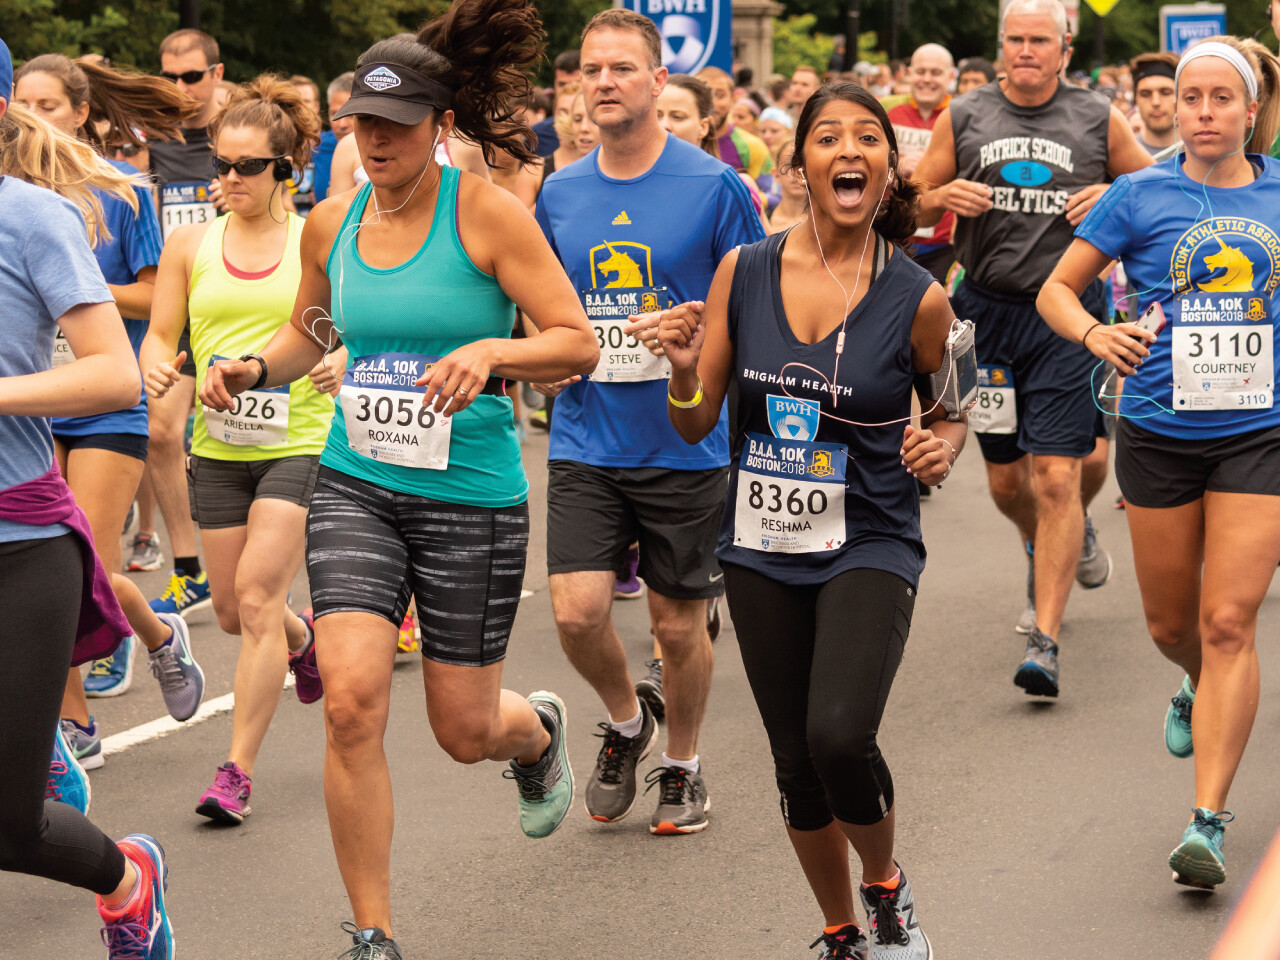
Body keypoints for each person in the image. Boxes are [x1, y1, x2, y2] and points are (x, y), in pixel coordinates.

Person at [199, 3, 598, 950]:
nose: (376, 140)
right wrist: (254, 367)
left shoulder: (486, 214)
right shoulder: (331, 223)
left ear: (441, 126)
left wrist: (492, 352)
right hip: (357, 481)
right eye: (362, 123)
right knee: (348, 702)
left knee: (463, 731)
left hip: (469, 495)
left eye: (398, 124)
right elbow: (312, 330)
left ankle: (534, 734)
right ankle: (373, 935)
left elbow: (575, 342)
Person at [658, 80, 963, 960]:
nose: (848, 151)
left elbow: (951, 411)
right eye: (828, 137)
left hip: (869, 537)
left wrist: (940, 447)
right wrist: (682, 370)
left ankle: (885, 888)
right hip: (760, 545)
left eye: (867, 137)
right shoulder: (743, 273)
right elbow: (695, 422)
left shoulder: (920, 297)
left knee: (839, 735)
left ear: (888, 168)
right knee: (794, 759)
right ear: (799, 166)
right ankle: (839, 931)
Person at [1039, 36, 1280, 890]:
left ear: (1252, 109)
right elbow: (1056, 289)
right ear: (1173, 108)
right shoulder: (1139, 193)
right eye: (1191, 98)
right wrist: (1094, 332)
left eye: (1222, 98)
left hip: (1261, 433)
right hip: (1159, 429)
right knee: (1173, 628)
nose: (1204, 113)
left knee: (1229, 623)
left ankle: (1206, 821)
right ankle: (1195, 684)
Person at [534, 8, 764, 835]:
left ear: (658, 81)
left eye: (622, 68)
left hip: (685, 438)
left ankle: (685, 765)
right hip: (586, 434)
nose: (603, 82)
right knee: (576, 611)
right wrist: (547, 353)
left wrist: (696, 331)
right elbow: (539, 303)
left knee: (675, 624)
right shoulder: (558, 191)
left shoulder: (714, 185)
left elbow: (756, 301)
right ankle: (629, 723)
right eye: (591, 69)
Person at [913, 0, 1152, 697]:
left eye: (1039, 40)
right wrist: (941, 197)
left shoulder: (1097, 116)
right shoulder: (963, 114)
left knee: (1057, 477)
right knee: (1005, 482)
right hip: (985, 312)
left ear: (1064, 50)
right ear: (1001, 46)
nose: (1025, 49)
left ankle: (1045, 640)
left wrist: (1111, 191)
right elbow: (910, 200)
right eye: (1014, 38)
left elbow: (1153, 190)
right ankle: (1051, 540)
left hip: (1066, 314)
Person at [0, 49, 176, 957]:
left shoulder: (32, 215)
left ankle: (128, 880)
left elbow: (112, 372)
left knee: (10, 825)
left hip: (18, 541)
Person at [141, 74, 328, 824]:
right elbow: (161, 332)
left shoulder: (318, 240)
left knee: (255, 597)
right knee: (229, 611)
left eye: (247, 166)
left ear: (286, 169)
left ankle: (235, 771)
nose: (229, 178)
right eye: (220, 164)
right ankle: (302, 638)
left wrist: (341, 357)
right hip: (217, 444)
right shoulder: (191, 243)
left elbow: (342, 324)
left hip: (301, 437)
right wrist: (156, 365)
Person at [12, 54, 208, 763]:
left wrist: (71, 285)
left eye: (49, 104)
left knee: (75, 568)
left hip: (102, 400)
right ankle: (144, 645)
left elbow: (156, 294)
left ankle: (81, 722)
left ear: (82, 112)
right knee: (51, 573)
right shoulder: (12, 196)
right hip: (35, 406)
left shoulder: (119, 189)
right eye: (25, 101)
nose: (34, 115)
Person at [129, 27, 223, 615]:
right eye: (169, 76)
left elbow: (287, 210)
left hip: (234, 300)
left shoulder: (237, 132)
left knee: (244, 435)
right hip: (174, 302)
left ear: (216, 73)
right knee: (161, 431)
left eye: (191, 76)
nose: (180, 87)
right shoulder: (151, 137)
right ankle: (189, 568)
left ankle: (259, 561)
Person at [887, 43, 957, 284]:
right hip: (894, 237)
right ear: (909, 74)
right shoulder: (890, 115)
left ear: (950, 76)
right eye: (921, 71)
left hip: (943, 244)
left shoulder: (961, 117)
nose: (927, 79)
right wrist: (897, 167)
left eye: (935, 73)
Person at [699, 66, 774, 197]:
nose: (712, 103)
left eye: (720, 95)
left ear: (733, 100)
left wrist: (740, 197)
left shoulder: (752, 145)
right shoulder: (680, 142)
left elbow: (773, 194)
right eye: (704, 95)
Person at [313, 71, 354, 205]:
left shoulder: (383, 153)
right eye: (335, 114)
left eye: (350, 115)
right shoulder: (317, 146)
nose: (342, 124)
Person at [532, 48, 581, 157]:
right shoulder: (538, 135)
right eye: (562, 84)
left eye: (576, 84)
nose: (569, 89)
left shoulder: (605, 131)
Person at [1130, 52, 1179, 155]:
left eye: (1165, 93)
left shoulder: (1202, 155)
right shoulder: (1122, 156)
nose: (1155, 102)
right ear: (1135, 100)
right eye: (1145, 94)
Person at [769, 138, 806, 232]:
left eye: (803, 165)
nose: (796, 172)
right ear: (776, 174)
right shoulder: (762, 219)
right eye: (789, 165)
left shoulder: (828, 220)